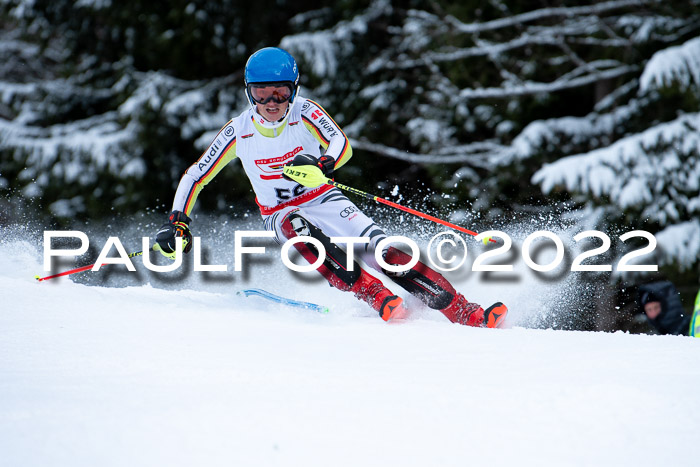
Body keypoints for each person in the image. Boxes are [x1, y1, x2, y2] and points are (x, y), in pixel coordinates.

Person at [154, 47, 507, 328]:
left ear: (293, 90)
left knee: (384, 252)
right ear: (250, 94)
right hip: (279, 213)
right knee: (299, 228)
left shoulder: (305, 112)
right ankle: (374, 294)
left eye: (280, 92)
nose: (272, 102)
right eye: (262, 93)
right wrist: (179, 222)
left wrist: (323, 165)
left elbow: (340, 143)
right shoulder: (238, 131)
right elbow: (195, 176)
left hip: (323, 196)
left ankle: (464, 312)